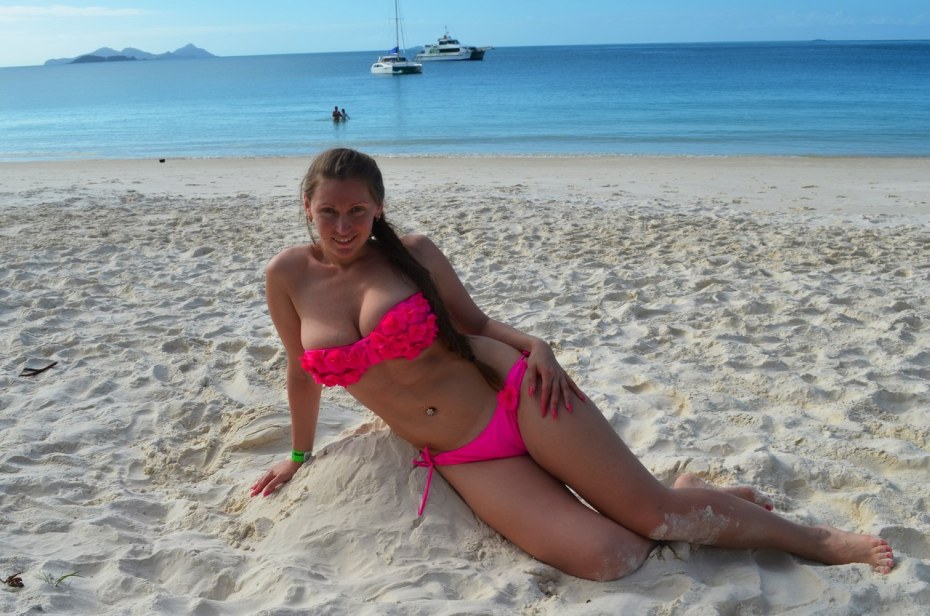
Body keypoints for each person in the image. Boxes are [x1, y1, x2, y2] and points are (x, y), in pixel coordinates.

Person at [250, 148, 895, 581]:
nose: (343, 226)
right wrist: (299, 455)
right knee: (610, 558)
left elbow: (475, 324)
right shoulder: (287, 275)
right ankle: (701, 492)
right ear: (307, 206)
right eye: (329, 211)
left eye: (357, 211)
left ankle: (812, 539)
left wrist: (539, 347)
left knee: (656, 516)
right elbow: (300, 370)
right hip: (463, 454)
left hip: (516, 396)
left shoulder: (411, 252)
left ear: (378, 208)